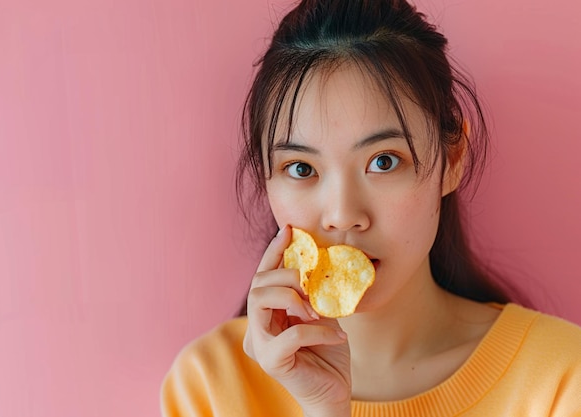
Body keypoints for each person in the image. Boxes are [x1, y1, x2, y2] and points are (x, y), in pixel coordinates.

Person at [161, 0, 581, 415]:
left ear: (451, 161)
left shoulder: (560, 381)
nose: (343, 215)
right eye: (302, 167)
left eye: (384, 161)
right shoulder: (211, 386)